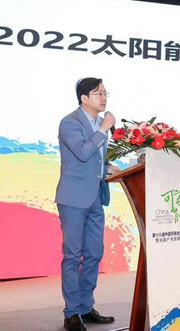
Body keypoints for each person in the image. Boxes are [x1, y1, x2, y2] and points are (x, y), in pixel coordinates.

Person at [55, 77, 121, 331]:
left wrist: (107, 167)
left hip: (95, 197)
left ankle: (85, 306)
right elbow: (82, 153)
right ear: (84, 98)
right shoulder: (70, 122)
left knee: (94, 253)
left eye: (105, 93)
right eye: (98, 93)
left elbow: (94, 159)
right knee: (73, 255)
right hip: (73, 199)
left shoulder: (97, 123)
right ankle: (71, 313)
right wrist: (103, 129)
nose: (103, 98)